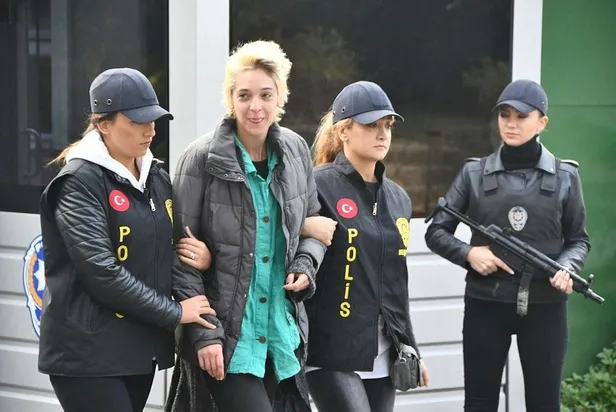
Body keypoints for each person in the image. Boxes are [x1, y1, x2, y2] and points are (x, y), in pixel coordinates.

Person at [37, 67, 215, 412]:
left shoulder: (156, 178)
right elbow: (101, 271)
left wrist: (204, 257)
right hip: (87, 355)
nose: (150, 130)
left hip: (138, 350)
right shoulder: (78, 182)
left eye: (153, 120)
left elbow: (170, 247)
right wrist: (175, 312)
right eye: (137, 121)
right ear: (103, 124)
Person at [165, 40, 328, 412]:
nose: (256, 107)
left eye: (266, 95)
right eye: (244, 95)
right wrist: (205, 335)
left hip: (279, 333)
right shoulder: (200, 159)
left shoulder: (296, 151)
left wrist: (305, 264)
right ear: (230, 98)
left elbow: (315, 227)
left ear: (280, 97)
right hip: (227, 338)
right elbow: (181, 258)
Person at [425, 79, 590, 411]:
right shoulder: (473, 173)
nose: (511, 124)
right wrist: (468, 253)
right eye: (505, 115)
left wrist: (567, 268)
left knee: (544, 404)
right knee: (479, 404)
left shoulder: (565, 176)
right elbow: (436, 231)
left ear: (542, 122)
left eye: (521, 116)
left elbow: (578, 240)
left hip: (545, 307)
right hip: (486, 304)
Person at [300, 81, 429, 412]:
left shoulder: (398, 198)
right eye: (371, 125)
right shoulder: (316, 184)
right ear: (343, 130)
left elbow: (396, 284)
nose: (382, 134)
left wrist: (410, 346)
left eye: (388, 125)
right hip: (330, 350)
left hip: (383, 353)